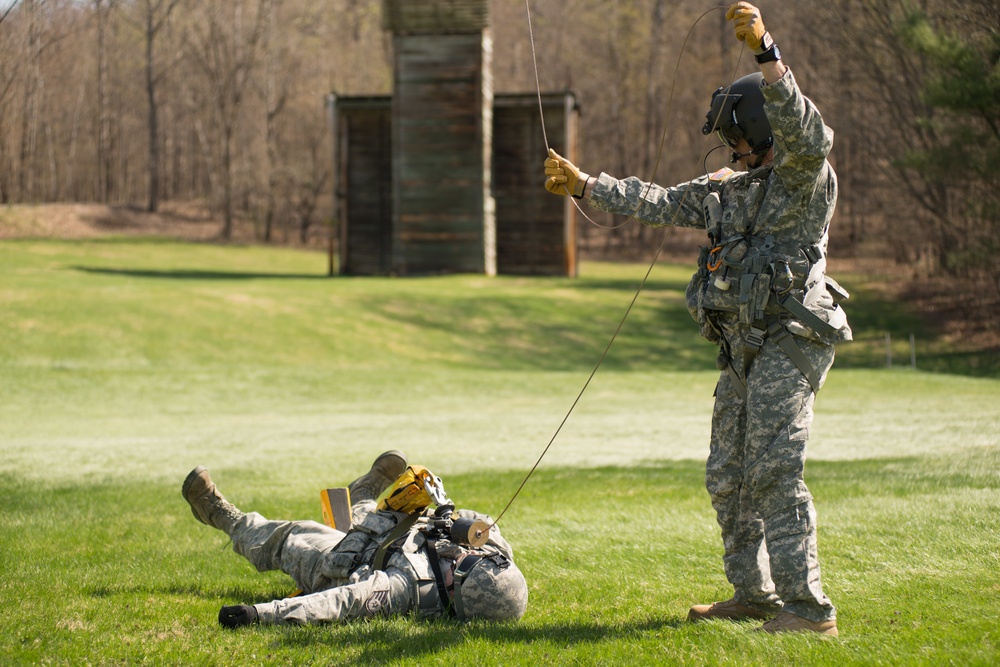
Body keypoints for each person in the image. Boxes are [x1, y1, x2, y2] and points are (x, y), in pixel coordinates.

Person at [543, 2, 849, 636]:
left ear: (764, 132)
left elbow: (810, 135)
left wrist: (768, 56)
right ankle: (756, 593)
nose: (731, 149)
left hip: (789, 340)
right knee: (727, 475)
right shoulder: (725, 187)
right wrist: (585, 187)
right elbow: (659, 200)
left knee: (773, 469)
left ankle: (809, 610)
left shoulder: (804, 178)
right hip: (740, 346)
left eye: (738, 137)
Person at [182, 450, 528, 627]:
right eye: (473, 557)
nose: (460, 555)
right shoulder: (492, 556)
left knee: (292, 535)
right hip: (389, 531)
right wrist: (446, 513)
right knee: (377, 516)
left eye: (461, 567)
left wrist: (260, 613)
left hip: (343, 564)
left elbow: (340, 602)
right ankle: (362, 497)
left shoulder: (403, 589)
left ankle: (219, 514)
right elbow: (478, 528)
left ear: (455, 595)